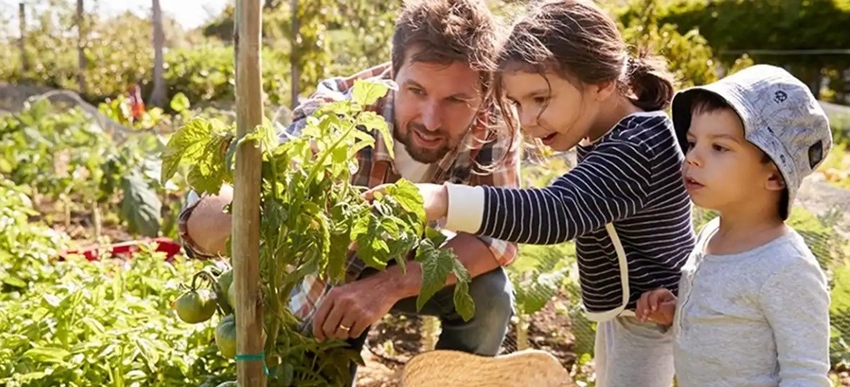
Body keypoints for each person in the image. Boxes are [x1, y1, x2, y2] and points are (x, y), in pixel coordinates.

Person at [176, 0, 521, 379]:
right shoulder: (341, 110)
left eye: (455, 100)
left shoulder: (494, 121)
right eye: (416, 91)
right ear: (393, 71)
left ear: (483, 92)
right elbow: (229, 205)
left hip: (413, 262)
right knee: (312, 373)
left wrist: (389, 285)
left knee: (489, 296)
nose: (430, 120)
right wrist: (228, 214)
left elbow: (498, 236)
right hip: (333, 275)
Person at [366, 1, 696, 385]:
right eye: (517, 103)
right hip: (634, 311)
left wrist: (442, 200)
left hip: (654, 315)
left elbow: (553, 213)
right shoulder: (611, 134)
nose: (526, 121)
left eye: (540, 99)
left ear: (603, 83)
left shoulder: (637, 147)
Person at [634, 64, 833, 386]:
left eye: (719, 147)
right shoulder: (710, 235)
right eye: (692, 142)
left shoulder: (786, 268)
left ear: (774, 175)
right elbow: (730, 325)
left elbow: (806, 375)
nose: (692, 158)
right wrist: (677, 312)